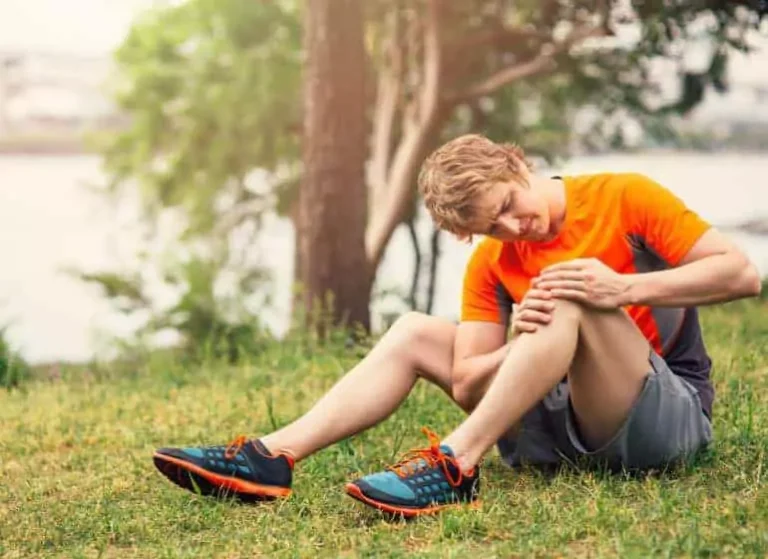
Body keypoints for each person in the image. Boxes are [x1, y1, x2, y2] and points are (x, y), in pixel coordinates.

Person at [152, 134, 762, 517]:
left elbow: (741, 275)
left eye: (507, 208)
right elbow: (469, 382)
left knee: (571, 292)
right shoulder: (493, 262)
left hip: (664, 419)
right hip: (557, 434)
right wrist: (521, 339)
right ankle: (272, 457)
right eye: (491, 228)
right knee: (416, 329)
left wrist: (622, 289)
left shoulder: (625, 196)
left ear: (516, 164)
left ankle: (452, 467)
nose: (513, 231)